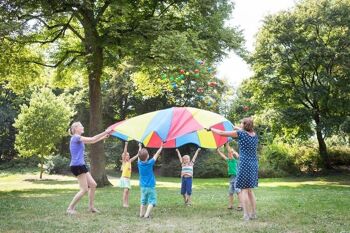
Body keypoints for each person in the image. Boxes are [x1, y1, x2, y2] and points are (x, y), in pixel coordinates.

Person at [211, 117, 258, 221]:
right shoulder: (254, 135)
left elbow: (222, 133)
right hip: (254, 164)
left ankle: (246, 215)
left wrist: (211, 129)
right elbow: (242, 130)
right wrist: (235, 127)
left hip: (245, 164)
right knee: (250, 190)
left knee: (244, 190)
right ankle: (253, 214)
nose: (240, 125)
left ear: (244, 125)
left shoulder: (240, 134)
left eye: (241, 124)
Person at [66, 121, 112, 215]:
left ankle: (91, 207)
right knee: (84, 189)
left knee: (93, 185)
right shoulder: (76, 137)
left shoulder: (79, 138)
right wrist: (105, 131)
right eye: (81, 126)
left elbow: (93, 141)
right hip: (77, 165)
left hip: (81, 165)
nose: (83, 127)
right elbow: (92, 139)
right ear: (75, 129)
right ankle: (70, 208)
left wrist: (104, 137)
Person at [137, 144, 163, 219]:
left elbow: (139, 155)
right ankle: (146, 215)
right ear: (148, 156)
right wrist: (161, 147)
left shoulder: (139, 164)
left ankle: (141, 214)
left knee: (143, 201)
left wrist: (139, 147)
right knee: (152, 201)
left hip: (143, 187)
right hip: (150, 186)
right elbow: (157, 154)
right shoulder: (150, 163)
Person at [216, 143, 242, 210]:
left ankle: (240, 205)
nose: (228, 154)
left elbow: (230, 151)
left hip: (236, 178)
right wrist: (218, 150)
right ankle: (230, 205)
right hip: (231, 178)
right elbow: (222, 156)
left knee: (238, 191)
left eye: (230, 154)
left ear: (232, 155)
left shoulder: (234, 161)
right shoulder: (228, 161)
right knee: (230, 192)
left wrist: (227, 144)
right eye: (228, 154)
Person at [119, 142, 141, 208]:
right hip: (124, 178)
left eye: (128, 155)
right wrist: (126, 144)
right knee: (125, 190)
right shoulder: (124, 162)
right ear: (124, 157)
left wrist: (140, 146)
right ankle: (124, 203)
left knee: (127, 192)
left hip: (128, 179)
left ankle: (127, 203)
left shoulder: (130, 161)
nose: (128, 156)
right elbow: (125, 152)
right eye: (126, 155)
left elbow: (138, 155)